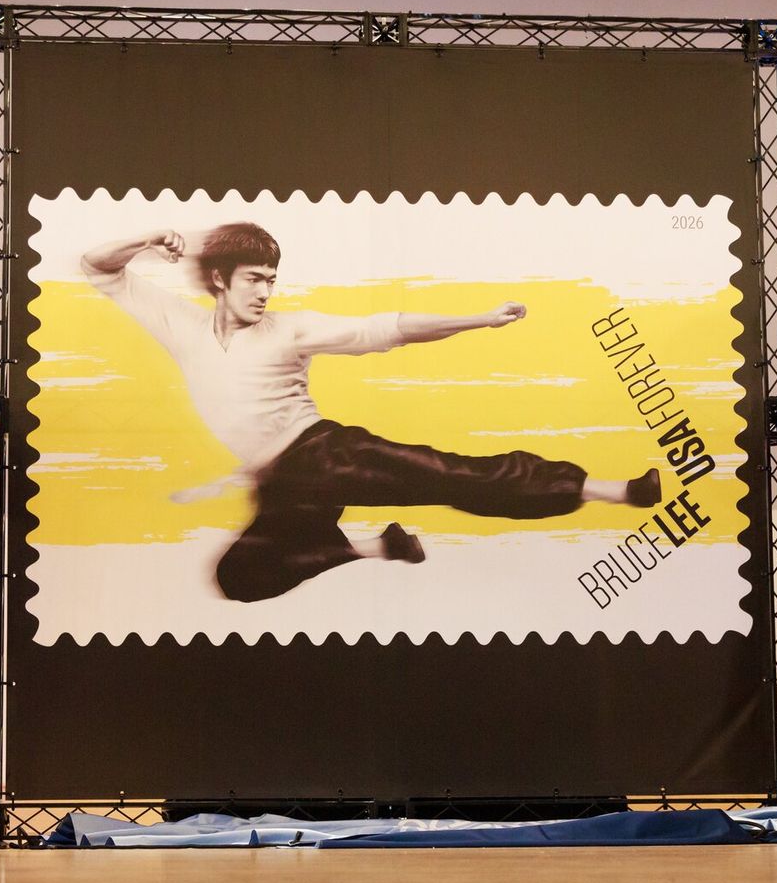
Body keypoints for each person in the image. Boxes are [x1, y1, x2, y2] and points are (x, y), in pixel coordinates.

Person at [78, 222, 662, 603]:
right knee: (239, 577)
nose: (264, 292)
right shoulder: (181, 326)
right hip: (281, 483)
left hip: (327, 456)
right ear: (219, 280)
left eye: (271, 281)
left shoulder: (291, 330)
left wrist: (481, 319)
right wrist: (147, 240)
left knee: (450, 476)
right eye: (253, 279)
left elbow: (390, 329)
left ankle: (619, 491)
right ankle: (377, 547)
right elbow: (98, 266)